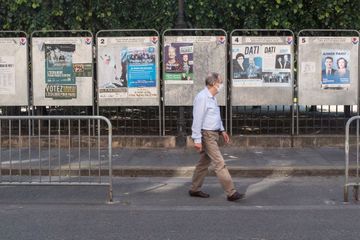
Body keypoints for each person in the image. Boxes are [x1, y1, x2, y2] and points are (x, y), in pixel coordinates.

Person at [189, 72, 245, 202]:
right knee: (219, 163)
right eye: (220, 82)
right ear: (214, 83)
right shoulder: (202, 97)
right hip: (207, 135)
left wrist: (222, 130)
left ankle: (194, 188)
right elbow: (197, 119)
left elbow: (215, 116)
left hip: (213, 133)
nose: (222, 84)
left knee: (204, 163)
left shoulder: (212, 97)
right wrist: (196, 139)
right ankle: (231, 192)